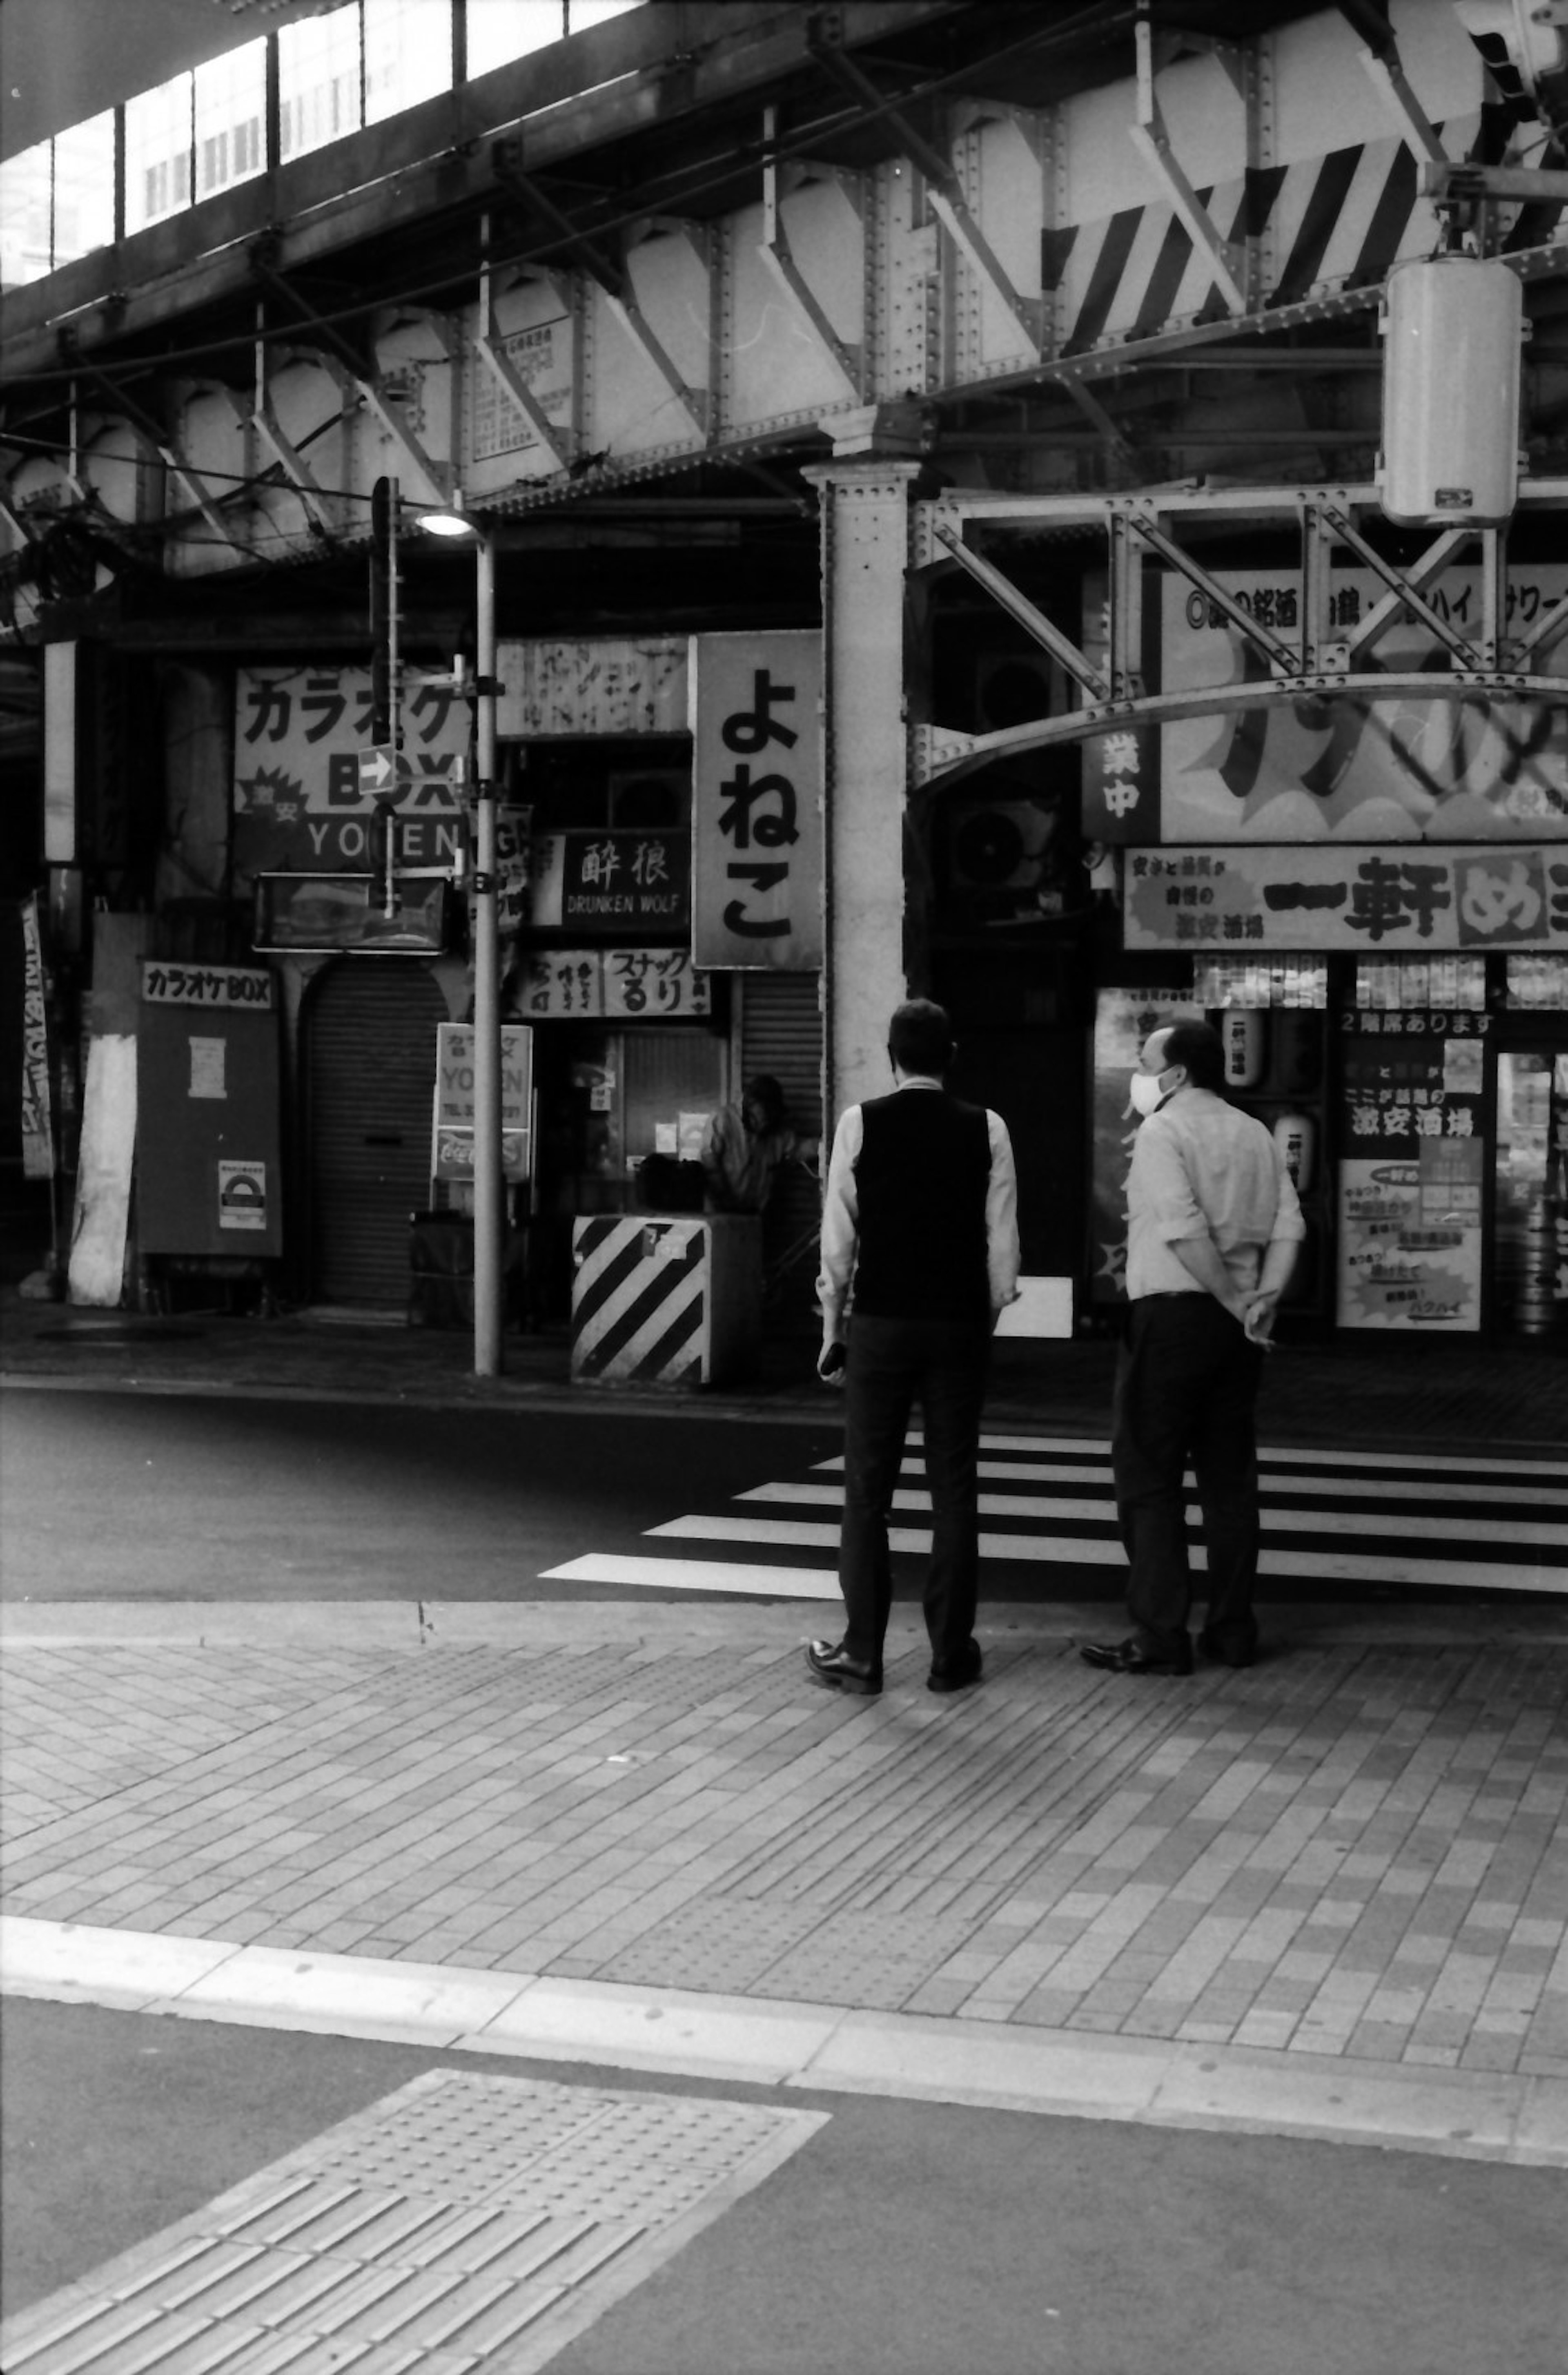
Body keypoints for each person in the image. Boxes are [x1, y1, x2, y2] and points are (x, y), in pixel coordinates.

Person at [809, 999, 1020, 1698]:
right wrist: (982, 1320)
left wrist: (832, 1327)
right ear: (950, 1054)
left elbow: (838, 1241)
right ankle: (949, 1656)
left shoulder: (859, 1122)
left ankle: (862, 1656)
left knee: (868, 1491)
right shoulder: (987, 1127)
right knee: (954, 1490)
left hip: (882, 1324)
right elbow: (1003, 1252)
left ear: (890, 1053)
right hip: (958, 1324)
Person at [1082, 1017, 1305, 1679]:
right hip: (1238, 1334)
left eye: (1147, 1061)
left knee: (1149, 1477)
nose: (1140, 1073)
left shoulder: (1162, 1130)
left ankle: (1161, 1635)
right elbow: (1290, 1225)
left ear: (1176, 1074)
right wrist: (1260, 1298)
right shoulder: (1256, 1134)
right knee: (1229, 1480)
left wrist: (1236, 1302)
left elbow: (1182, 1231)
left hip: (1173, 1318)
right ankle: (1233, 1632)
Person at [699, 1074, 816, 1214]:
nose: (765, 1123)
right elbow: (709, 1162)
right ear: (750, 1103)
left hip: (754, 1216)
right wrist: (726, 1200)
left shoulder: (776, 1132)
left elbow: (799, 1148)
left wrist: (825, 1146)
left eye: (771, 1115)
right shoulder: (723, 1120)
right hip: (720, 1214)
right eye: (764, 1114)